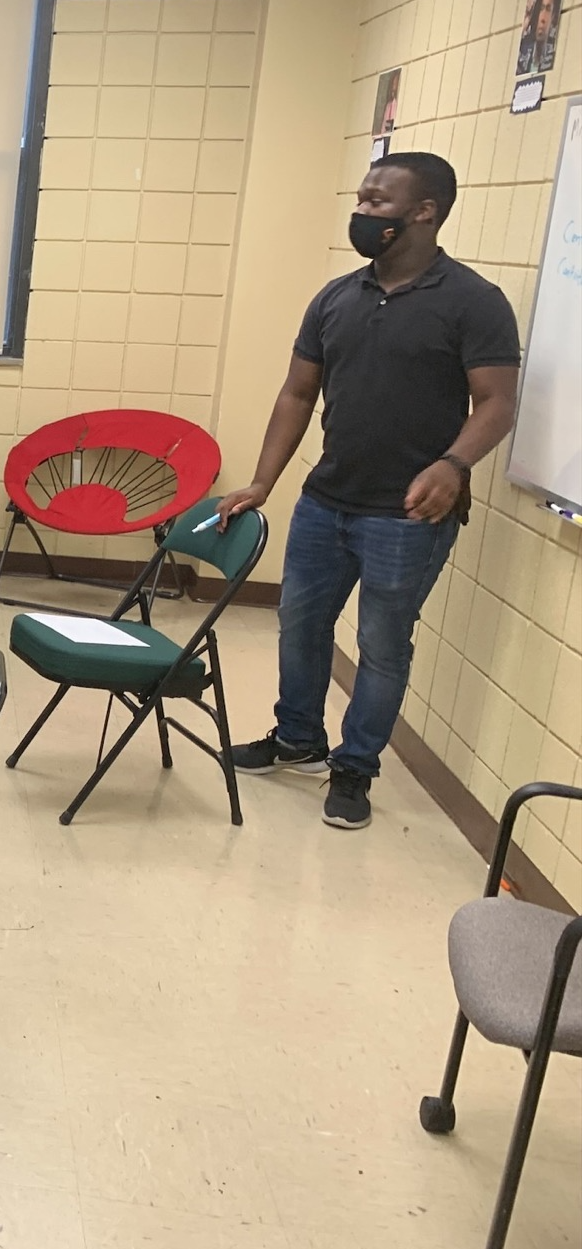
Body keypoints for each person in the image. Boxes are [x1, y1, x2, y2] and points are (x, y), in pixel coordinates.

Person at [217, 152, 520, 830]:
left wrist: (453, 464)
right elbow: (297, 392)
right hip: (326, 500)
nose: (362, 209)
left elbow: (496, 403)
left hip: (408, 515)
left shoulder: (472, 302)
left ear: (424, 212)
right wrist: (264, 479)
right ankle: (297, 737)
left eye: (377, 200)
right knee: (299, 624)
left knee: (383, 644)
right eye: (360, 196)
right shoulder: (335, 297)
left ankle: (354, 768)